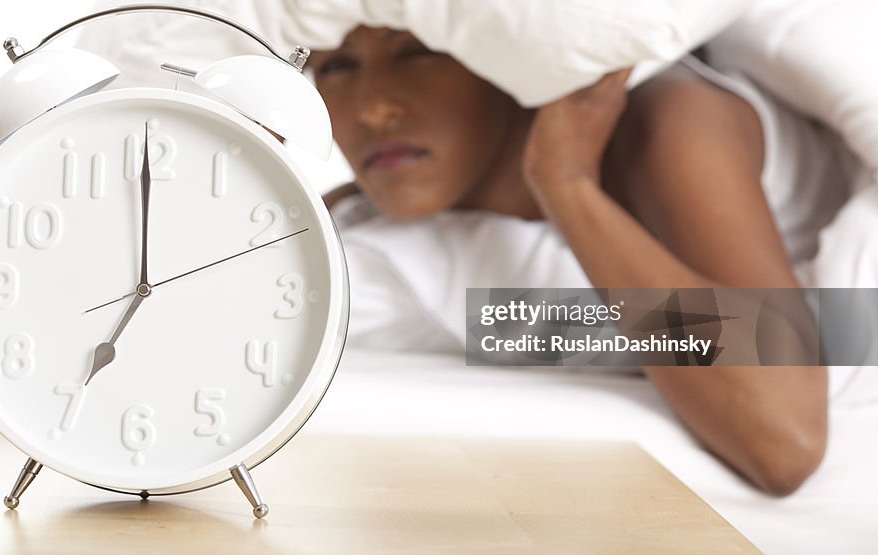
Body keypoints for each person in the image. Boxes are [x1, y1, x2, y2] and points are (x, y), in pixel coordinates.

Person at [305, 25, 850, 496]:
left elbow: (785, 440)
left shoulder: (670, 123)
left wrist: (564, 182)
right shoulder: (361, 208)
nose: (374, 108)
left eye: (418, 53)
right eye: (335, 67)